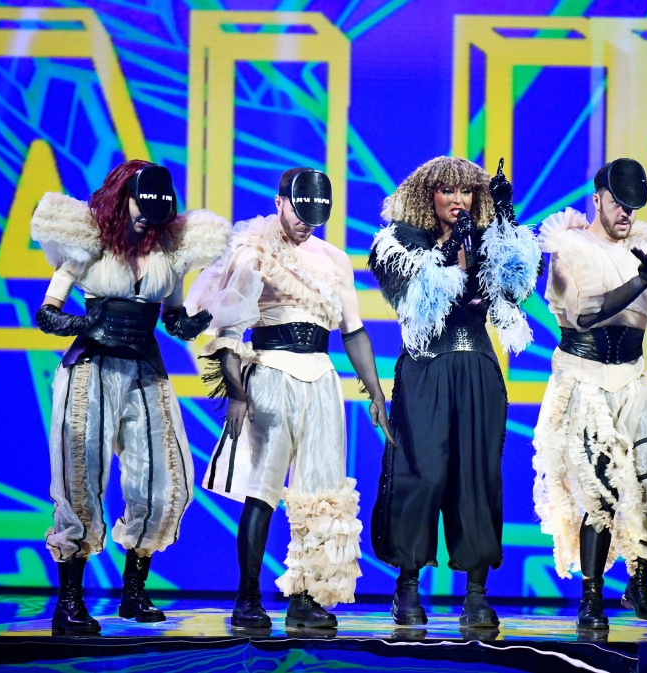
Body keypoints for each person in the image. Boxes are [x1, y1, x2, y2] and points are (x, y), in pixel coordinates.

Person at [186, 167, 395, 631]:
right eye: (299, 213)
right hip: (271, 372)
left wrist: (377, 393)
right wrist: (237, 393)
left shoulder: (336, 259)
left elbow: (354, 331)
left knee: (320, 491)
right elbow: (229, 329)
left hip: (321, 377)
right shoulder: (255, 249)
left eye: (314, 217)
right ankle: (247, 598)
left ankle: (305, 598)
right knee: (262, 491)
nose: (305, 223)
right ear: (280, 201)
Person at [31, 160, 231, 636]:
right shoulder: (90, 245)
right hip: (90, 369)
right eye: (141, 206)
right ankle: (71, 601)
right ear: (124, 198)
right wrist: (85, 325)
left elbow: (174, 317)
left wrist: (198, 322)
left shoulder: (169, 253)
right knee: (80, 477)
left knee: (166, 479)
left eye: (156, 209)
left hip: (145, 370)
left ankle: (134, 591)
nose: (146, 216)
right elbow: (46, 313)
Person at [532, 158, 647, 630]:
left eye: (633, 206)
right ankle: (591, 598)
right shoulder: (570, 246)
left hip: (633, 377)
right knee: (602, 488)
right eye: (618, 203)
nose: (625, 214)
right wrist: (641, 280)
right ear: (597, 197)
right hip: (586, 377)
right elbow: (583, 313)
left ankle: (638, 580)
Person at [368, 157, 541, 630]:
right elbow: (419, 298)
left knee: (477, 476)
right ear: (430, 195)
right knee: (421, 475)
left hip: (478, 367)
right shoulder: (400, 243)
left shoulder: (486, 239)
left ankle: (477, 595)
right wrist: (455, 261)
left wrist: (506, 221)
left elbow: (520, 281)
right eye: (448, 191)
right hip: (426, 368)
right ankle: (407, 588)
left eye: (467, 192)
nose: (459, 200)